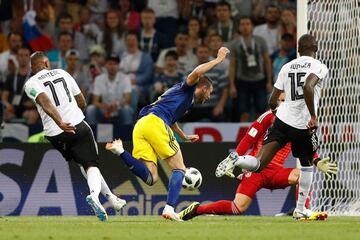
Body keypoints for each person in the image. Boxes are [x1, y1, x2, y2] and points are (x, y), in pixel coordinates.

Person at [105, 47, 230, 221]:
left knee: (151, 178)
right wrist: (218, 60)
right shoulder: (187, 88)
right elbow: (196, 72)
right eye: (210, 91)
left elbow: (171, 121)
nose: (209, 96)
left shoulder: (184, 101)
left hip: (141, 125)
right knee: (179, 168)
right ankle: (170, 209)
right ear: (203, 87)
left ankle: (120, 150)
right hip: (155, 122)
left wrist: (184, 136)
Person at [216, 34, 330, 220]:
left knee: (259, 163)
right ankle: (301, 209)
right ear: (316, 48)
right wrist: (313, 116)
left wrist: (277, 113)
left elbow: (272, 98)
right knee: (307, 167)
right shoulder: (319, 66)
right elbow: (309, 87)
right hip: (301, 123)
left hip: (281, 121)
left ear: (299, 50)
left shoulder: (286, 66)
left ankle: (236, 160)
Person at [179, 108, 337, 221]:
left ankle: (302, 212)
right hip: (255, 170)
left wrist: (316, 161)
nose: (281, 104)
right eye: (279, 100)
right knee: (238, 207)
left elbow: (306, 147)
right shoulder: (268, 117)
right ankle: (197, 209)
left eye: (284, 101)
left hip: (275, 172)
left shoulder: (298, 122)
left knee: (302, 175)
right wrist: (233, 161)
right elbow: (249, 139)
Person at [24, 51, 126, 222]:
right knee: (91, 164)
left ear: (32, 68)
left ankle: (112, 199)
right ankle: (94, 196)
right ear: (47, 63)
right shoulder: (63, 73)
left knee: (82, 162)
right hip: (76, 126)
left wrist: (58, 123)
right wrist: (64, 120)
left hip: (55, 135)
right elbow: (82, 102)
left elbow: (42, 99)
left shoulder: (30, 83)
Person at [228, 16, 272, 122]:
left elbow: (267, 61)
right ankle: (244, 136)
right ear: (239, 27)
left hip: (259, 80)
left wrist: (269, 81)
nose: (245, 27)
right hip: (242, 81)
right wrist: (232, 85)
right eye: (242, 24)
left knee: (261, 110)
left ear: (252, 26)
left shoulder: (260, 41)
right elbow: (232, 65)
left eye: (247, 24)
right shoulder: (234, 43)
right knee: (243, 111)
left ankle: (260, 135)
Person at [86, 54, 133, 125]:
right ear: (105, 65)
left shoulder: (125, 78)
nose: (112, 66)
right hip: (104, 110)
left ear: (118, 66)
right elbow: (95, 101)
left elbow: (128, 99)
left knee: (126, 110)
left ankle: (127, 135)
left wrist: (117, 104)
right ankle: (91, 134)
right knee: (90, 109)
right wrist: (104, 106)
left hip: (119, 108)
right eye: (110, 64)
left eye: (115, 64)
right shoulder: (99, 79)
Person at [2, 46, 38, 124]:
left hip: (27, 109)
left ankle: (29, 136)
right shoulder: (11, 76)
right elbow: (4, 97)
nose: (23, 58)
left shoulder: (34, 77)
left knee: (33, 115)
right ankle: (7, 136)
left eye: (26, 55)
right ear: (17, 57)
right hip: (12, 108)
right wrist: (8, 105)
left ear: (30, 58)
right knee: (5, 115)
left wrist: (33, 103)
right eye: (21, 55)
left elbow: (40, 96)